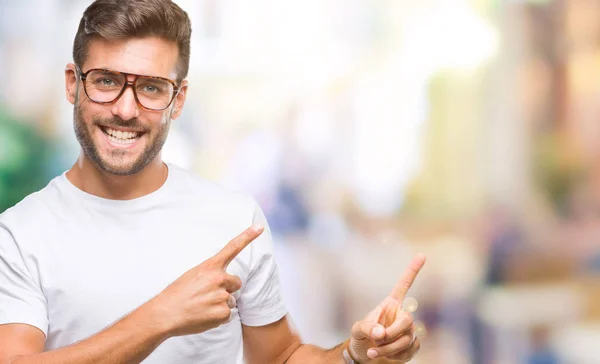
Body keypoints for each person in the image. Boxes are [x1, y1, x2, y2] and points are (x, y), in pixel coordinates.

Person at [0, 1, 426, 363]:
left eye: (150, 87)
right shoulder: (20, 235)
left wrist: (355, 354)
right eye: (107, 81)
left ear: (178, 99)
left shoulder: (233, 220)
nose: (126, 109)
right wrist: (160, 317)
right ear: (74, 84)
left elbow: (279, 357)